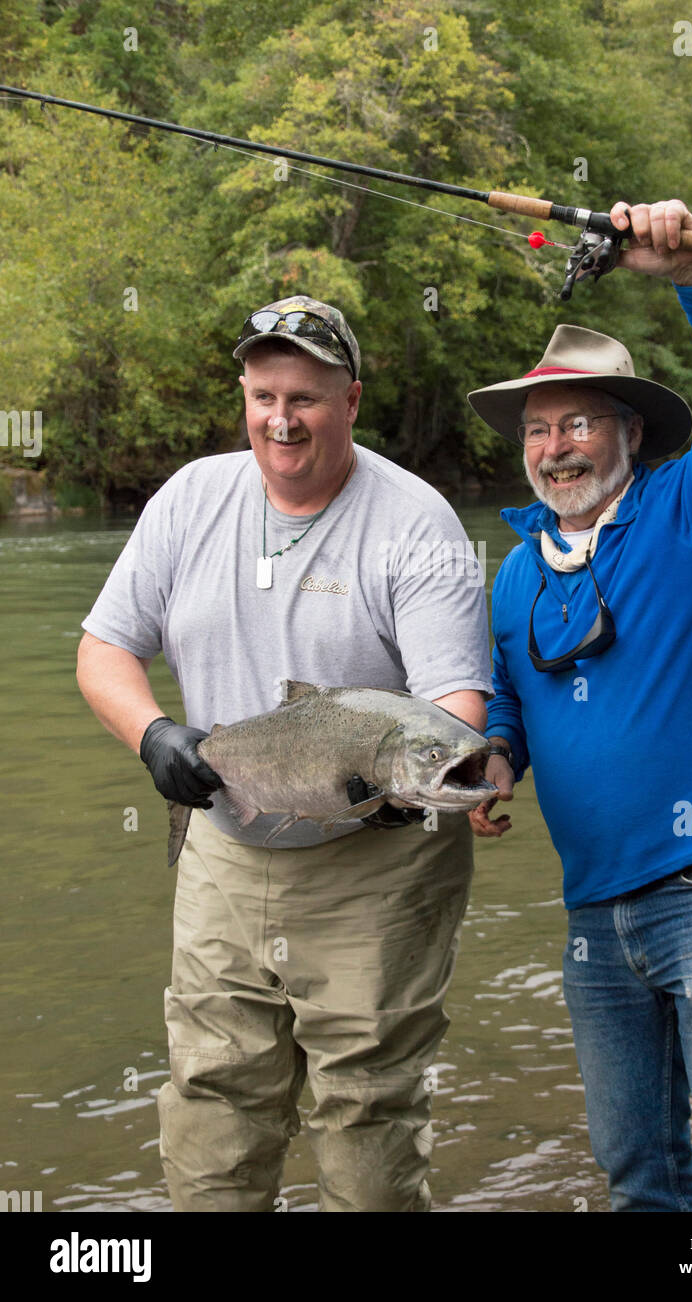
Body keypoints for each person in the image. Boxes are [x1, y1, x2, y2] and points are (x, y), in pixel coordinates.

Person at [77, 295, 492, 1212]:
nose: (280, 419)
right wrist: (154, 735)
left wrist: (420, 784)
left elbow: (456, 703)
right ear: (244, 394)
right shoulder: (190, 498)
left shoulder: (418, 522)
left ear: (350, 398)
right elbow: (104, 649)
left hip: (380, 867)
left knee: (368, 1114)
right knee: (214, 1102)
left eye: (303, 397)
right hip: (226, 851)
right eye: (264, 394)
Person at [466, 199, 692, 1213]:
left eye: (578, 421)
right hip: (594, 909)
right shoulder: (512, 576)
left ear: (631, 429)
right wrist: (493, 762)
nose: (555, 447)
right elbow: (506, 704)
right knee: (638, 1171)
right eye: (538, 429)